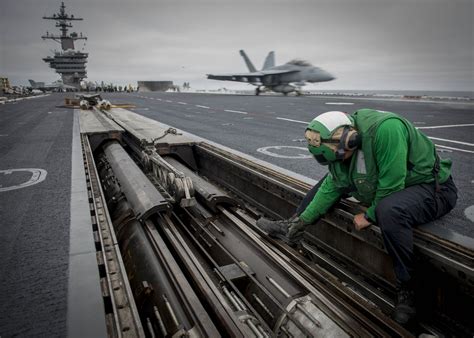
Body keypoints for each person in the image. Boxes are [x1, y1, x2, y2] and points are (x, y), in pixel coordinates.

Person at [256, 109, 457, 325]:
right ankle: (291, 227)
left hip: (431, 188)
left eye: (339, 156)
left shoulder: (387, 130)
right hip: (383, 182)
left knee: (389, 210)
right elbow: (333, 185)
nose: (339, 162)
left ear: (351, 140)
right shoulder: (337, 142)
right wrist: (303, 221)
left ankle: (409, 287)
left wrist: (369, 216)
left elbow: (392, 185)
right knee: (328, 182)